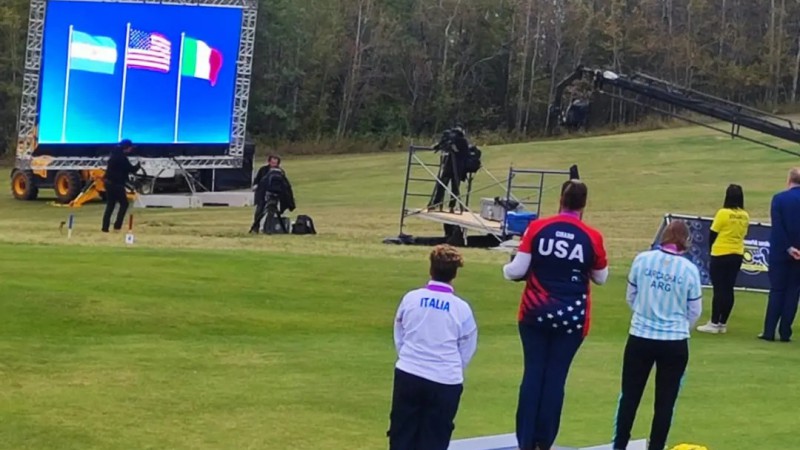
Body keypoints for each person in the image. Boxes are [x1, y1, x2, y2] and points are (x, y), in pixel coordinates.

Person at [502, 179, 608, 450]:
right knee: (556, 378)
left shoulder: (537, 228)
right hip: (572, 318)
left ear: (561, 198)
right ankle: (544, 441)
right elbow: (601, 277)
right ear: (584, 204)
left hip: (534, 313)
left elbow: (515, 270)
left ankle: (525, 440)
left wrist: (506, 267)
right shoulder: (592, 236)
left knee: (533, 374)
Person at [613, 220, 703, 450]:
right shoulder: (689, 270)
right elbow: (695, 311)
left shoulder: (642, 260)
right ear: (685, 241)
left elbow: (631, 296)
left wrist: (646, 313)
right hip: (674, 342)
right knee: (665, 403)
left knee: (629, 397)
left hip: (640, 336)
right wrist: (679, 326)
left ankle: (620, 445)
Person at [387, 244, 478, 450]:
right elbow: (467, 346)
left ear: (431, 269)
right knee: (435, 439)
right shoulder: (461, 308)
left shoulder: (411, 298)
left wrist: (409, 357)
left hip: (409, 373)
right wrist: (452, 367)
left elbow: (399, 332)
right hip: (445, 381)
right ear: (454, 274)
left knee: (401, 435)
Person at [697, 184, 749, 334]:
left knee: (718, 289)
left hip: (721, 253)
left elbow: (713, 233)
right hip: (737, 253)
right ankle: (722, 322)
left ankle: (713, 322)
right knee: (729, 288)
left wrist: (711, 249)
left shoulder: (723, 213)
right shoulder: (745, 215)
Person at [759, 168, 800, 342]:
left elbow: (778, 227)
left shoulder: (779, 199)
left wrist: (788, 247)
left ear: (789, 180)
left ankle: (769, 331)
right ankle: (785, 332)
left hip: (780, 252)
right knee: (793, 292)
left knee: (777, 291)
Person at [249, 155, 295, 233]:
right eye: (272, 162)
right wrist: (256, 186)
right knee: (259, 211)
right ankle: (255, 228)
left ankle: (268, 228)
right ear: (269, 162)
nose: (274, 164)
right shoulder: (263, 170)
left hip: (274, 195)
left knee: (271, 211)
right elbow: (257, 181)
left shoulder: (280, 172)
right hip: (262, 194)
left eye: (275, 163)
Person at [102, 139, 140, 233]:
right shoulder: (122, 157)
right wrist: (138, 166)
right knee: (124, 204)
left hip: (108, 182)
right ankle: (117, 226)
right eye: (130, 148)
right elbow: (131, 169)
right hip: (117, 184)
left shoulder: (114, 154)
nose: (131, 150)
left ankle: (105, 227)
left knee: (110, 205)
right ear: (126, 148)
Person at [428, 127, 470, 212]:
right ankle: (438, 204)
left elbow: (464, 154)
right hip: (450, 166)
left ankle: (450, 206)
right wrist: (440, 146)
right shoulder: (456, 140)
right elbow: (443, 145)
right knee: (444, 185)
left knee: (453, 188)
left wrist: (456, 150)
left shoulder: (462, 142)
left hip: (456, 167)